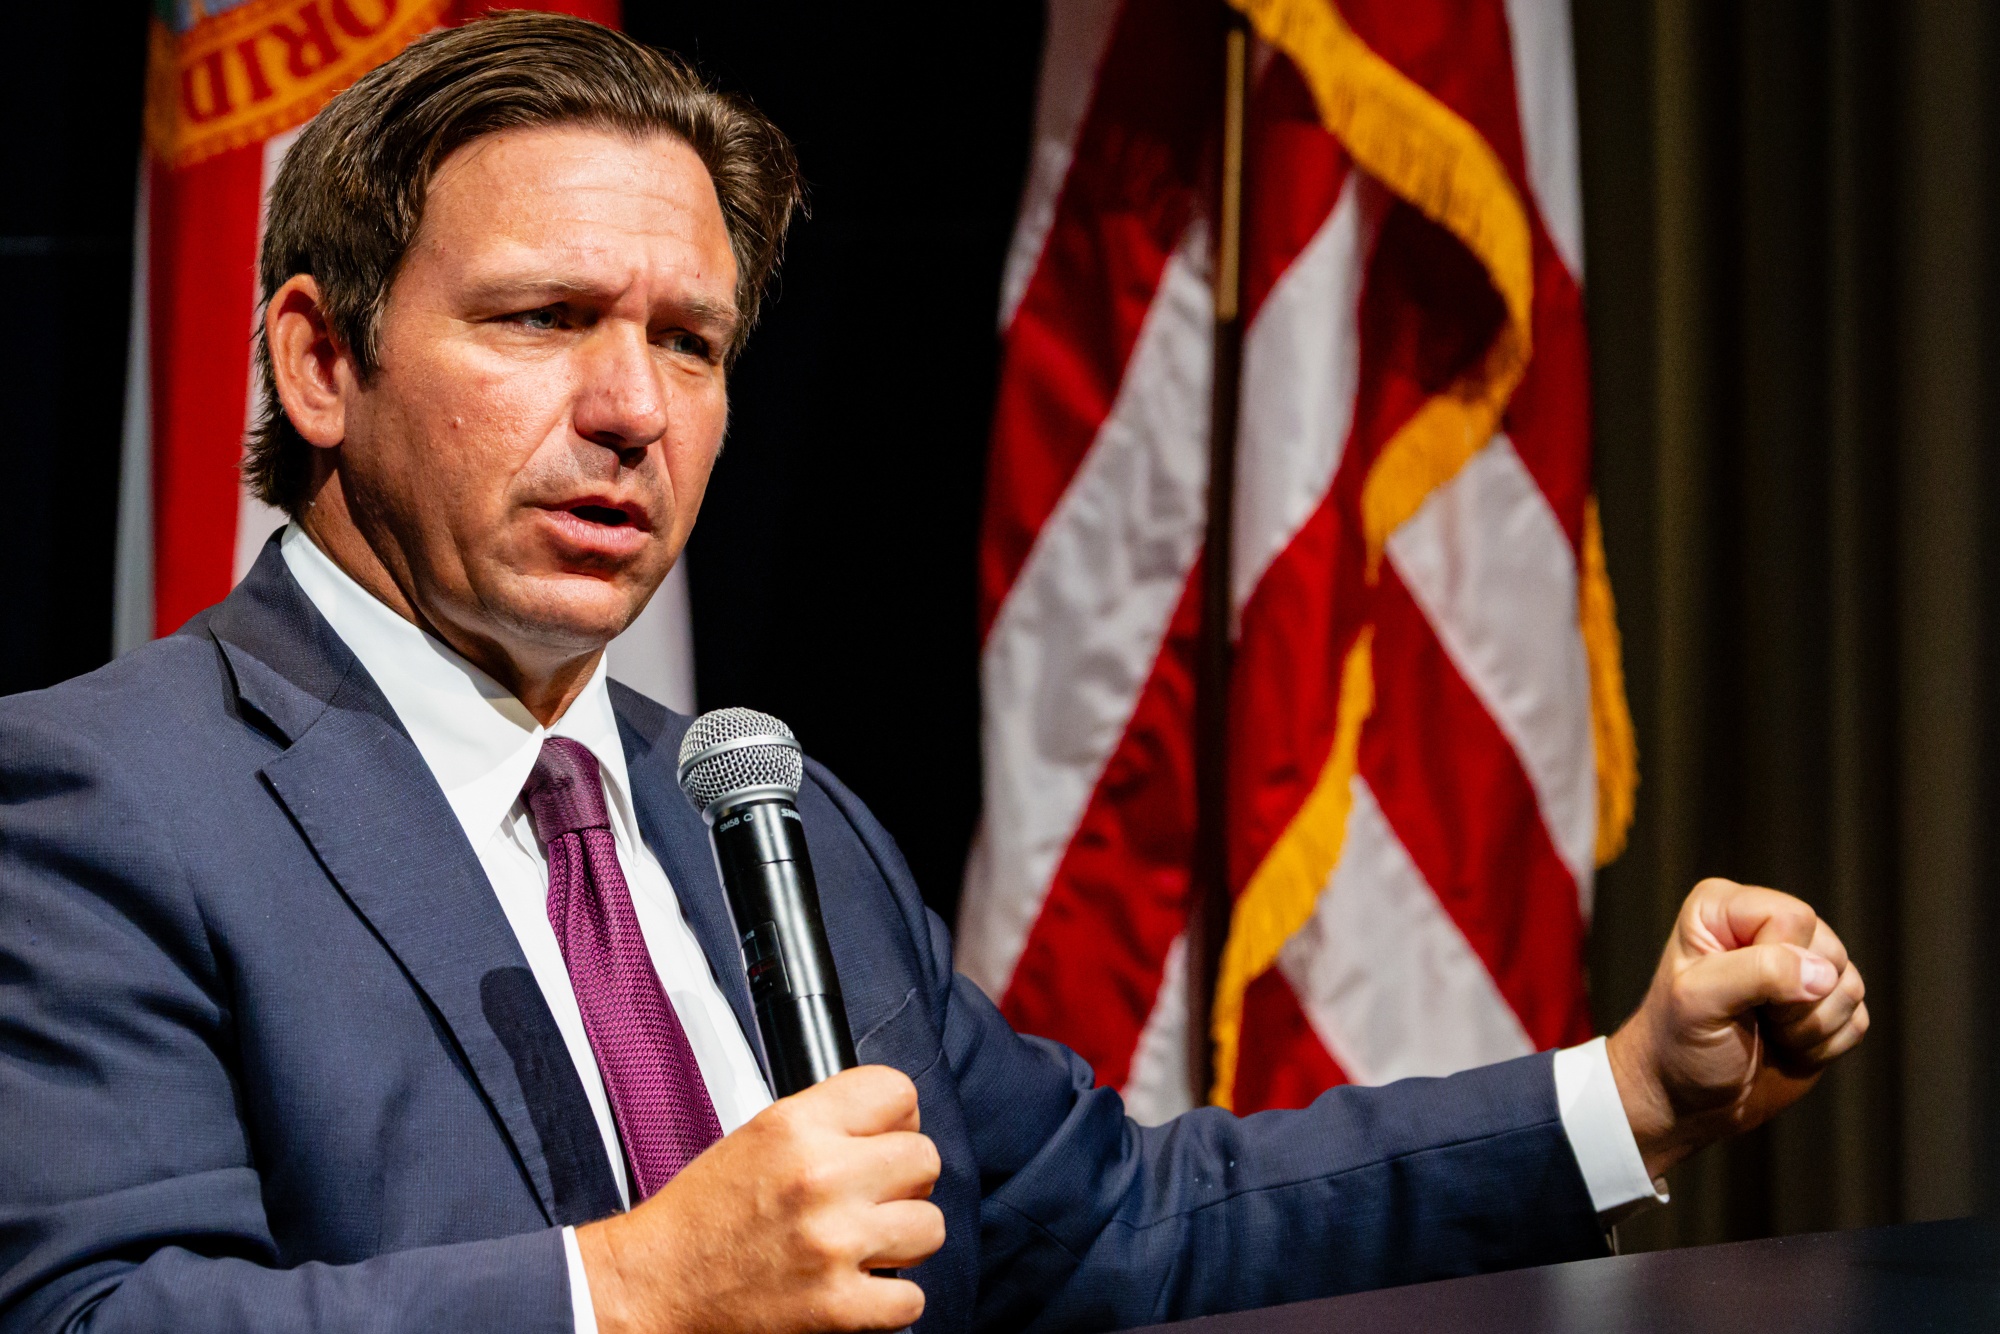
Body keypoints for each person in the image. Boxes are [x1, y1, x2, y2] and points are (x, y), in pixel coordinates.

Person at [0, 14, 1868, 1334]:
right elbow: (97, 1314)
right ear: (320, 364)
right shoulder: (104, 801)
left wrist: (1629, 1094)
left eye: (691, 342)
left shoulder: (762, 810)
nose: (633, 411)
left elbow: (1123, 1224)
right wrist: (631, 1292)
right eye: (544, 319)